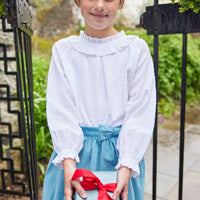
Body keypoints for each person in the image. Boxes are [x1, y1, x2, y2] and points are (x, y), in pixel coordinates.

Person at [42, 0, 156, 199]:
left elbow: (141, 110)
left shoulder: (135, 50)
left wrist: (127, 162)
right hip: (74, 156)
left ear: (121, 3)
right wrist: (68, 162)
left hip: (120, 156)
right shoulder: (64, 50)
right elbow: (60, 108)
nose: (100, 5)